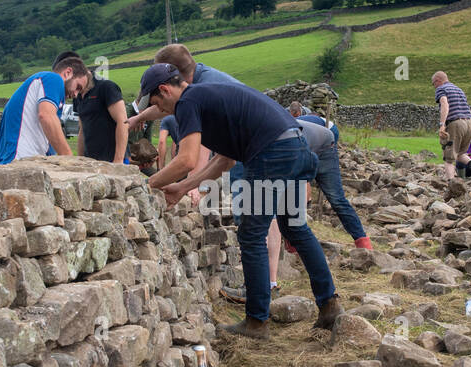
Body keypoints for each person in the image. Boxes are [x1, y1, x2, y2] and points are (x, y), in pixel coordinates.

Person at [139, 62, 341, 338]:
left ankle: (256, 322)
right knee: (295, 227)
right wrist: (182, 188)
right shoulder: (209, 99)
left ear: (164, 90)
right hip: (295, 146)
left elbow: (186, 159)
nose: (160, 111)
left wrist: (144, 185)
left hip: (273, 152)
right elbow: (225, 160)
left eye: (156, 103)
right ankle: (329, 305)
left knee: (251, 234)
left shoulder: (188, 101)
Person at [0, 55, 91, 164]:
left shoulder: (39, 87)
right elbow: (46, 116)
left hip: (14, 160)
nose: (75, 94)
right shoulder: (54, 79)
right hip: (21, 160)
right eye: (78, 87)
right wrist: (69, 159)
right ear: (68, 72)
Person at [298, 118, 372, 249]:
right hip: (309, 145)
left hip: (326, 148)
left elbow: (302, 183)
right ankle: (293, 241)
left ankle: (363, 243)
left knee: (336, 198)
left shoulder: (285, 130)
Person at [57, 51, 128, 164]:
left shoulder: (106, 87)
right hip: (91, 161)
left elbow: (123, 122)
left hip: (112, 160)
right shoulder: (78, 94)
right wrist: (80, 160)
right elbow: (82, 129)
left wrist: (118, 160)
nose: (74, 94)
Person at [432, 70, 471, 180]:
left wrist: (442, 124)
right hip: (469, 122)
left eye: (433, 84)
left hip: (455, 123)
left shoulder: (441, 89)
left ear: (438, 81)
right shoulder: (459, 89)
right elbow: (468, 107)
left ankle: (451, 183)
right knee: (460, 153)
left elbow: (445, 104)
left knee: (449, 157)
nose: (434, 86)